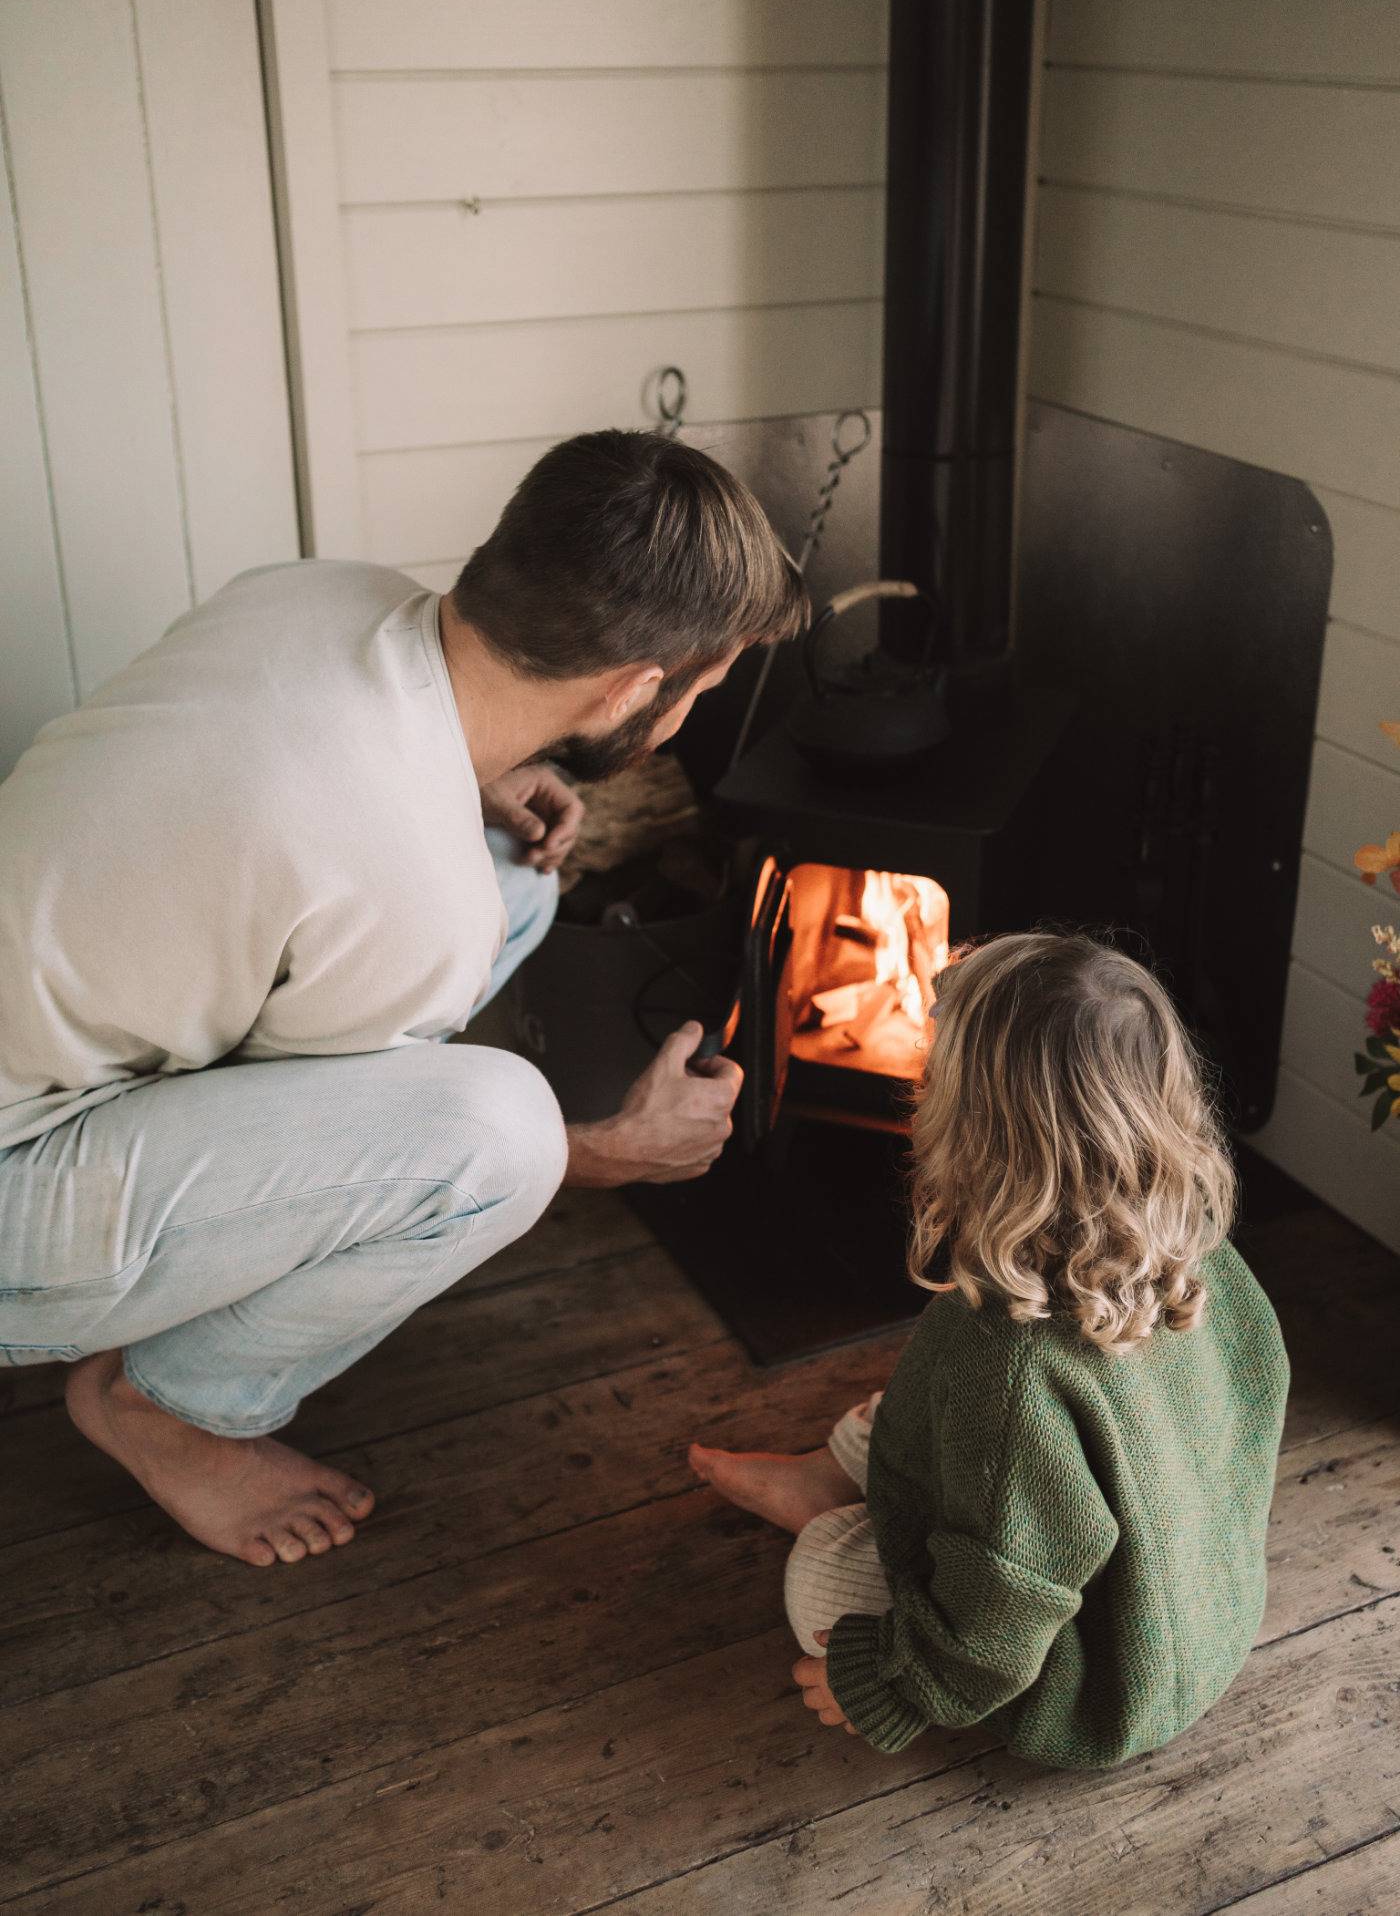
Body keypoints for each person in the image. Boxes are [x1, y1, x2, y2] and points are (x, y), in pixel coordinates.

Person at [0, 429, 807, 1570]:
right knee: (499, 1137)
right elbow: (308, 1124)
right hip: (13, 1182)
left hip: (33, 1009)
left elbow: (285, 773)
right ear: (635, 688)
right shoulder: (403, 883)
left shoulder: (315, 591)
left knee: (504, 883)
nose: (684, 717)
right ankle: (164, 1407)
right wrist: (603, 1152)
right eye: (699, 691)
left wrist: (469, 777)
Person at [689, 932, 1289, 1768]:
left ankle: (830, 1517)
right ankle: (832, 1469)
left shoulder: (1005, 1363)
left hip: (1100, 1682)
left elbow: (1004, 1605)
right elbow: (1242, 1416)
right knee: (914, 1410)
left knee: (820, 1585)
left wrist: (897, 1685)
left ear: (972, 1129)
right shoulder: (1200, 1245)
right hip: (1207, 1607)